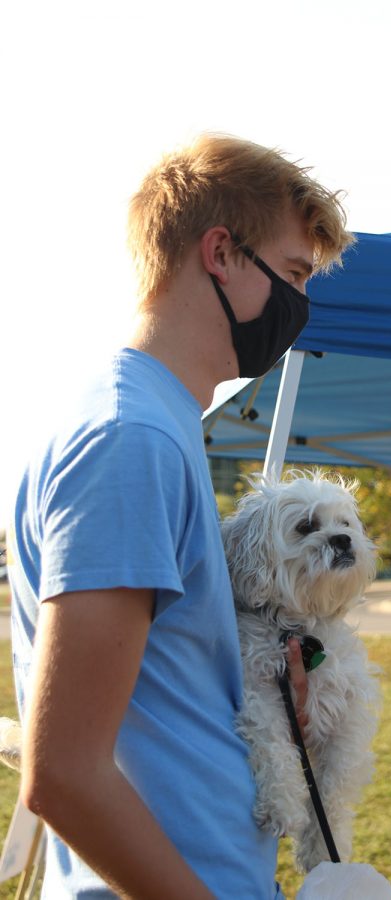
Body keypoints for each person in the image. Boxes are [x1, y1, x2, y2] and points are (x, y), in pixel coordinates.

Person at [8, 134, 354, 899]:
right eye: (294, 274)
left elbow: (156, 690)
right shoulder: (129, 440)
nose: (301, 305)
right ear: (220, 252)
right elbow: (64, 775)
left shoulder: (156, 426)